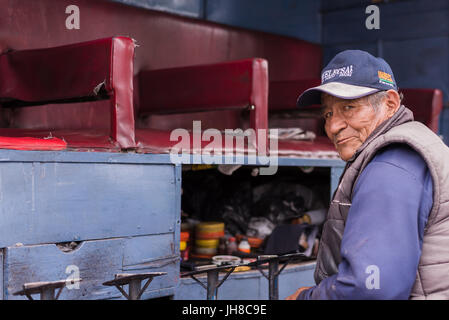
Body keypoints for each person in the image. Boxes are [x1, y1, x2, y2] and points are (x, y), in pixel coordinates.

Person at [286, 50, 449, 300]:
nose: (332, 127)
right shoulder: (413, 146)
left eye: (349, 107)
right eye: (328, 114)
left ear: (390, 104)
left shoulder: (391, 165)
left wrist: (305, 299)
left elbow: (372, 287)